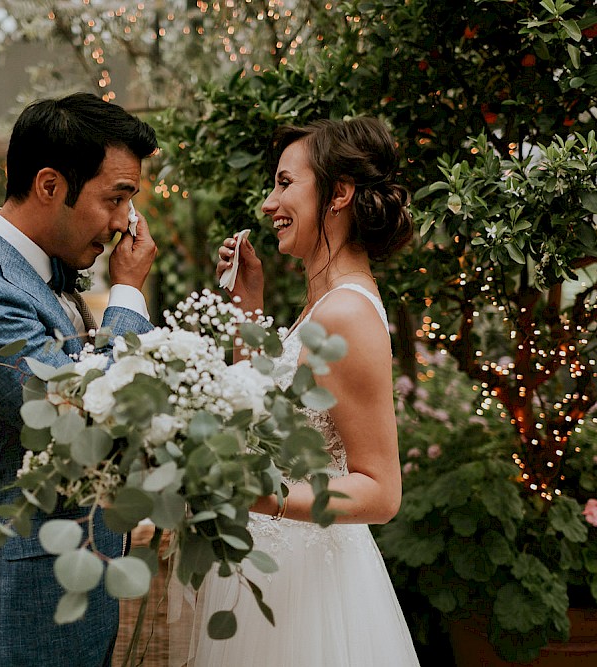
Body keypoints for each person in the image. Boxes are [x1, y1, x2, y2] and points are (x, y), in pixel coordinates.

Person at [0, 93, 158, 667]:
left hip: (76, 572)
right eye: (115, 198)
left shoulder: (46, 268)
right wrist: (127, 294)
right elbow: (87, 422)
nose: (126, 221)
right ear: (50, 186)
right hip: (26, 596)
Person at [190, 117, 421, 665]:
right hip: (276, 561)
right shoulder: (325, 306)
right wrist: (249, 306)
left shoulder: (345, 313)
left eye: (284, 183)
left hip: (310, 585)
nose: (269, 204)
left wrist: (252, 494)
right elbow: (265, 425)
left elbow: (380, 492)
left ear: (339, 193)